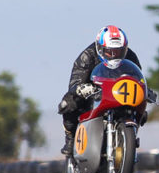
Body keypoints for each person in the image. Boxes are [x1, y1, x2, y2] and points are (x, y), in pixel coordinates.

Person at [58, 25, 141, 156]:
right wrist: (81, 88)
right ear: (100, 48)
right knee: (69, 102)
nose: (114, 56)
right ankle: (71, 138)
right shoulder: (87, 56)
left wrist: (145, 89)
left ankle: (127, 139)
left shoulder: (130, 56)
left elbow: (138, 77)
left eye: (118, 52)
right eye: (110, 51)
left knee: (141, 110)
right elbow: (75, 81)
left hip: (117, 94)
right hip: (94, 92)